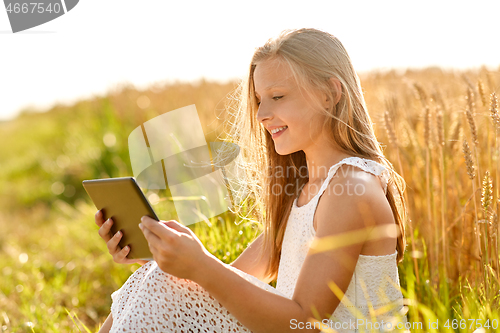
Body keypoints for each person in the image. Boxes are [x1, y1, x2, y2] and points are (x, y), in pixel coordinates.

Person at [94, 28, 409, 333]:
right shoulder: (304, 193)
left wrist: (200, 265)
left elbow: (305, 324)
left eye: (278, 96)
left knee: (160, 282)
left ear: (329, 94)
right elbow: (231, 286)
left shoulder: (351, 188)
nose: (262, 114)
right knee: (157, 276)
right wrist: (167, 257)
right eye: (260, 100)